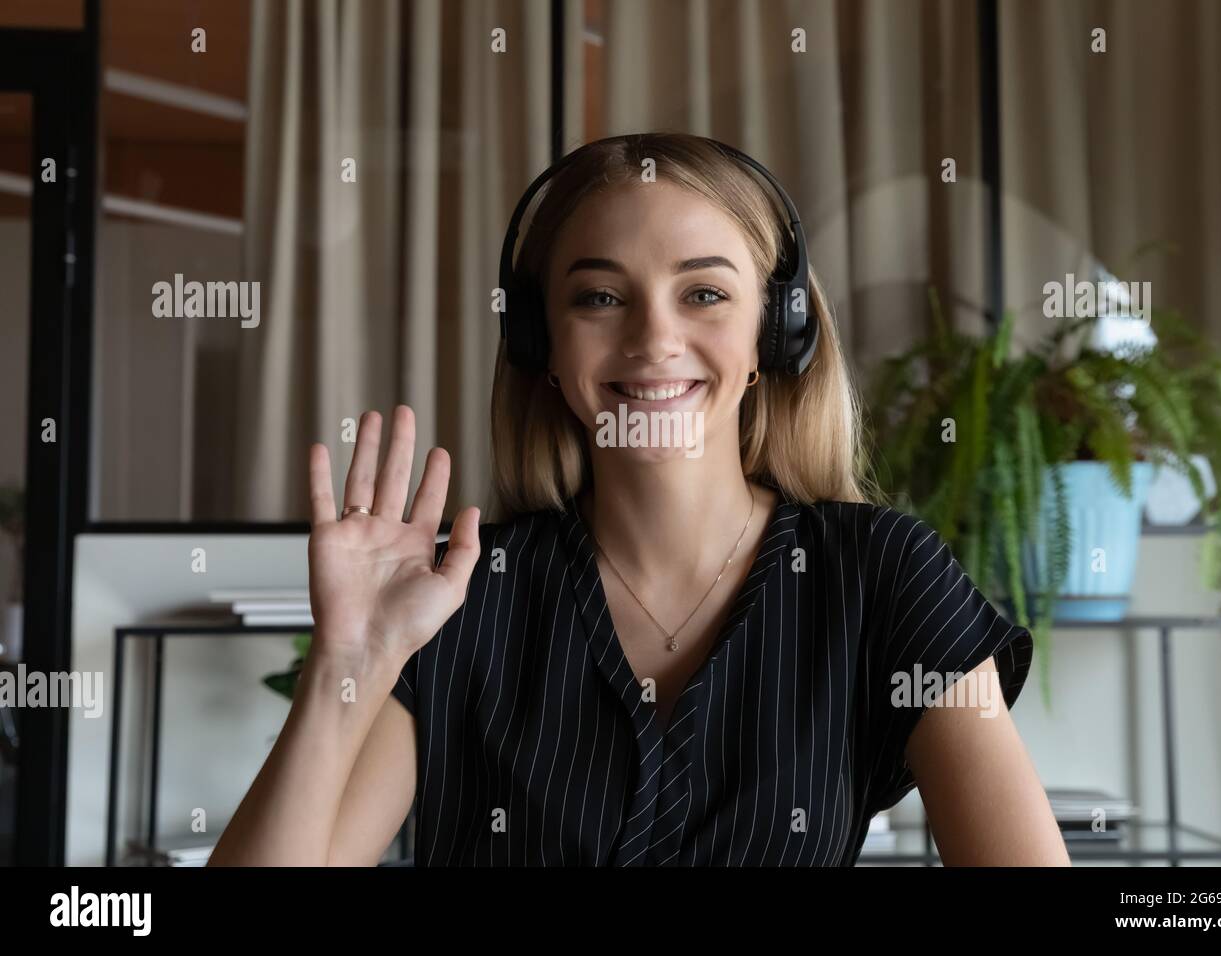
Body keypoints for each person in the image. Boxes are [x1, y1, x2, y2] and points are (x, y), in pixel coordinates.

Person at [210, 132, 1068, 867]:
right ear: (539, 343)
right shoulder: (461, 599)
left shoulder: (882, 576)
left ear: (777, 333)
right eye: (599, 297)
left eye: (704, 293)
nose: (654, 338)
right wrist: (348, 666)